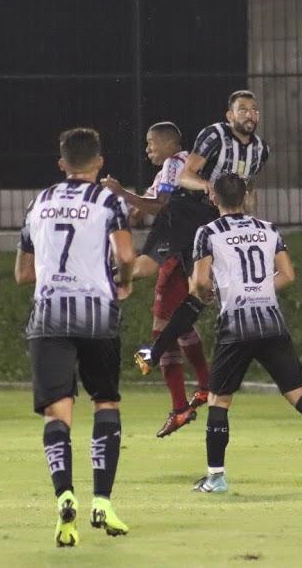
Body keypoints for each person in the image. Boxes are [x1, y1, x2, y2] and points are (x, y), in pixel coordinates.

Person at [135, 173, 302, 494]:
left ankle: (216, 477)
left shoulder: (207, 232)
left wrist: (220, 291)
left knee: (218, 400)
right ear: (246, 197)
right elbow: (288, 274)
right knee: (297, 394)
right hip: (270, 321)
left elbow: (199, 284)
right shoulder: (268, 230)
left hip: (236, 324)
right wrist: (259, 288)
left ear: (213, 199)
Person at [15, 128, 137, 548]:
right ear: (99, 162)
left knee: (58, 412)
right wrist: (123, 283)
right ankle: (102, 500)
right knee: (106, 401)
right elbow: (124, 256)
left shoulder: (39, 202)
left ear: (61, 163)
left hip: (48, 316)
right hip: (98, 314)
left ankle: (65, 495)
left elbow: (23, 273)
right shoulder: (109, 202)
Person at [100, 122, 211, 437]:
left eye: (151, 143)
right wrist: (134, 207)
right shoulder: (168, 170)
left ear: (170, 143)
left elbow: (160, 206)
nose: (147, 149)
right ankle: (203, 387)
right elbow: (152, 203)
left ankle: (181, 406)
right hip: (178, 241)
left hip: (178, 243)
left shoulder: (177, 163)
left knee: (160, 323)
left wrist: (122, 193)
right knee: (180, 324)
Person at [168, 90, 269, 277]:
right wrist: (207, 185)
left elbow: (249, 183)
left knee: (222, 276)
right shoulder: (215, 136)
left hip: (224, 216)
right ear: (230, 115)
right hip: (193, 209)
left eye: (254, 110)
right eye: (243, 110)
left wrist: (249, 213)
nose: (250, 114)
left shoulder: (261, 150)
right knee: (197, 279)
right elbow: (185, 175)